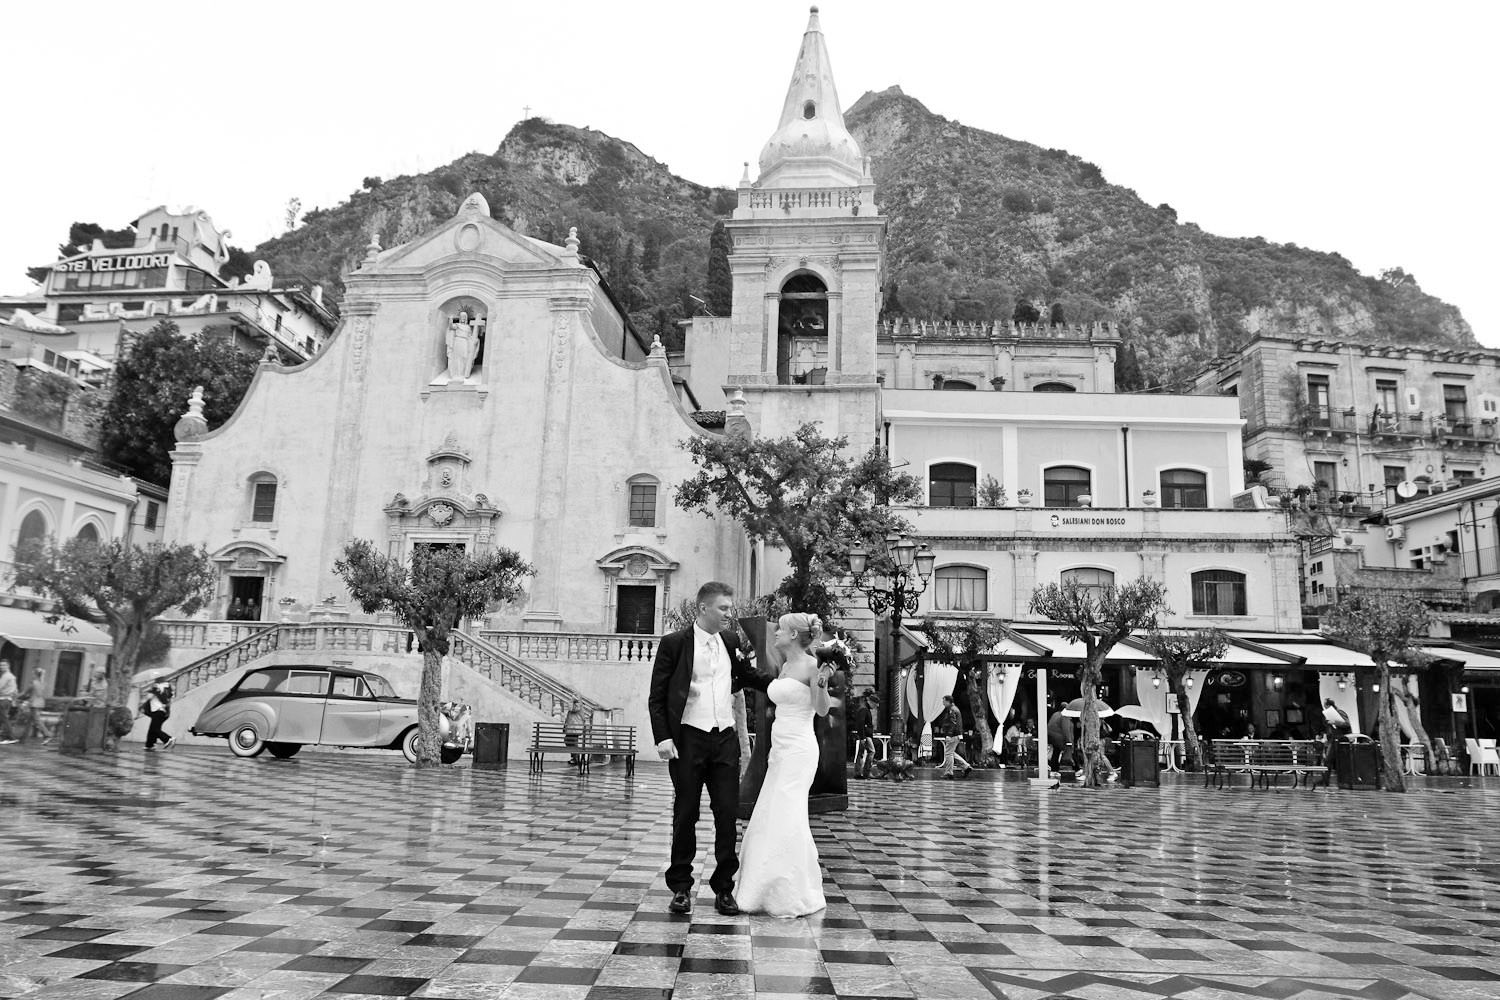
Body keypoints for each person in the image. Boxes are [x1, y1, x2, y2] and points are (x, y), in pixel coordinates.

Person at [647, 581, 770, 916]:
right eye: (724, 609)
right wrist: (663, 738)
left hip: (724, 739)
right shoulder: (674, 644)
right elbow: (657, 696)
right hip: (687, 738)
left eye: (730, 608)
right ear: (704, 608)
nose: (730, 615)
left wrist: (782, 684)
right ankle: (681, 888)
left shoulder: (731, 641)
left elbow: (746, 675)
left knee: (727, 814)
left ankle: (724, 888)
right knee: (686, 813)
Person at [736, 613, 833, 917]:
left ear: (793, 635)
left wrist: (822, 683)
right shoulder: (787, 666)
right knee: (770, 812)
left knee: (787, 813)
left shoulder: (812, 665)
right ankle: (762, 886)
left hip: (800, 750)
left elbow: (820, 710)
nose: (775, 633)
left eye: (780, 629)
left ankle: (791, 891)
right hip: (780, 750)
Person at [936, 695, 972, 779]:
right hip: (956, 734)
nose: (943, 703)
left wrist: (949, 734)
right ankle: (966, 766)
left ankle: (949, 772)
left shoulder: (952, 710)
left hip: (953, 735)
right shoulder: (953, 709)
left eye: (944, 701)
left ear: (948, 701)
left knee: (948, 753)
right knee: (951, 752)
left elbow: (953, 723)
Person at [141, 681, 175, 751]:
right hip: (163, 711)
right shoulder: (167, 687)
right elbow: (170, 698)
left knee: (154, 729)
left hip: (158, 711)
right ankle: (150, 745)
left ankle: (168, 739)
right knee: (152, 729)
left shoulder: (156, 688)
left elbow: (149, 697)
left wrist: (150, 691)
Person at [20, 673, 53, 744]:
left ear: (35, 675)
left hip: (34, 703)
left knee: (36, 720)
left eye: (33, 674)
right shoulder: (43, 683)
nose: (32, 676)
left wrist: (17, 696)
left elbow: (25, 693)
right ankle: (23, 738)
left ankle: (47, 735)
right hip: (40, 703)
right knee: (29, 720)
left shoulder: (33, 683)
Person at [562, 698, 587, 772]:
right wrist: (565, 726)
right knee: (568, 740)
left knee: (572, 741)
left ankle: (577, 758)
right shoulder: (574, 705)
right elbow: (568, 717)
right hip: (571, 727)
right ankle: (575, 757)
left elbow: (572, 709)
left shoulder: (577, 705)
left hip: (575, 727)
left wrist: (572, 701)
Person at [0, 661, 18, 745]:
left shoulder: (6, 676)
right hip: (8, 699)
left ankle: (10, 737)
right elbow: (15, 690)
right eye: (0, 665)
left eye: (3, 665)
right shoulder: (12, 677)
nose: (1, 667)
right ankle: (5, 736)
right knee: (3, 718)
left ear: (8, 666)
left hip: (3, 699)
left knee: (4, 718)